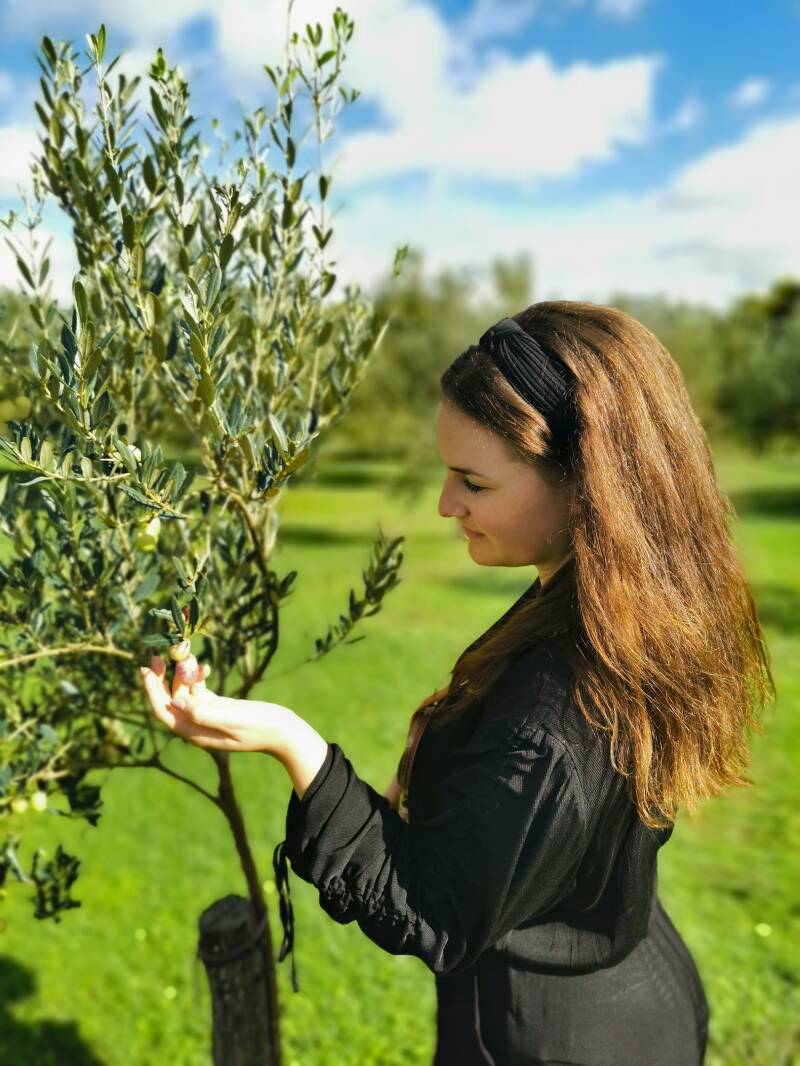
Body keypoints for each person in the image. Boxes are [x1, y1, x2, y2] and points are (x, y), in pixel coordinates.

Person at [141, 301, 775, 1065]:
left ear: (586, 484)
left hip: (547, 1041)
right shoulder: (624, 613)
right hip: (638, 995)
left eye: (472, 481)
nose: (446, 506)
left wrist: (289, 740)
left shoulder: (560, 704)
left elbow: (434, 912)